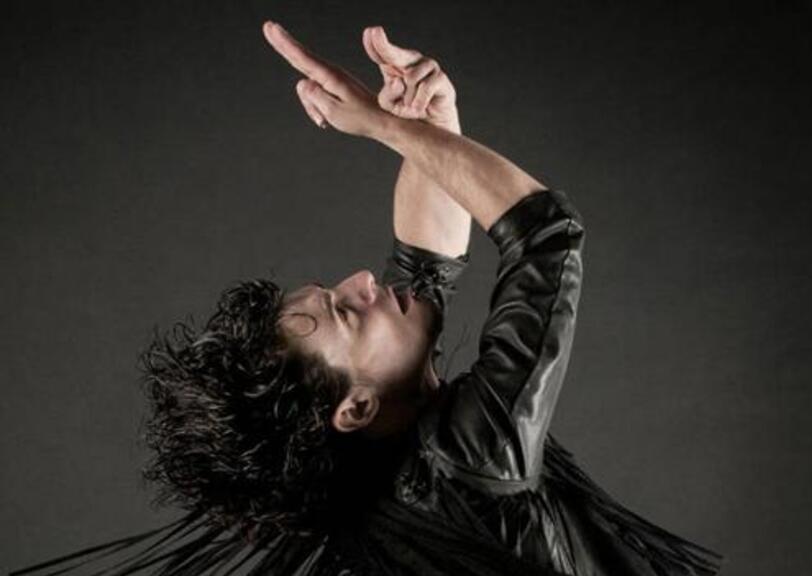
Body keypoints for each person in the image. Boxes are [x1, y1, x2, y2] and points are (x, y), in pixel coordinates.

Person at [11, 21, 724, 576]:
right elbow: (547, 237)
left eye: (337, 293)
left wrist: (430, 129)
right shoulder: (467, 467)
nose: (362, 280)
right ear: (353, 408)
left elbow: (423, 267)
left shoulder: (386, 480)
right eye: (347, 312)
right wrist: (387, 127)